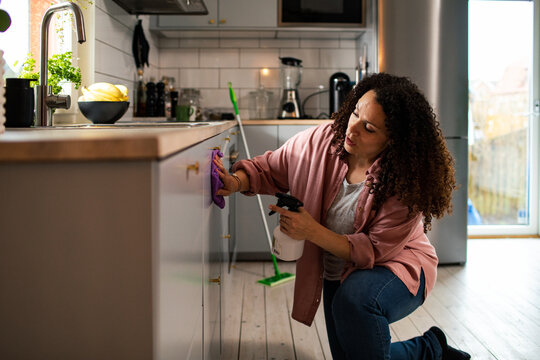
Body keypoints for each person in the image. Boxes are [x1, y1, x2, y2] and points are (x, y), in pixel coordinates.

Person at [214, 73, 471, 360]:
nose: (352, 128)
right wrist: (235, 182)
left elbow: (373, 249)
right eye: (355, 113)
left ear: (392, 141)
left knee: (354, 302)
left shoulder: (405, 181)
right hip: (341, 272)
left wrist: (310, 231)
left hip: (399, 266)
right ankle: (430, 349)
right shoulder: (321, 141)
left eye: (369, 128)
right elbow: (270, 168)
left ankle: (428, 349)